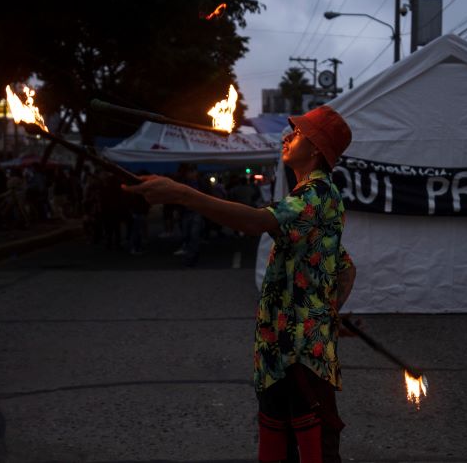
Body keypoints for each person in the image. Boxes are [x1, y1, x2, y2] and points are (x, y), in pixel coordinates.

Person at [125, 105, 357, 462]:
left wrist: (184, 194)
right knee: (279, 447)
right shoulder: (309, 198)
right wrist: (331, 309)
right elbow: (344, 266)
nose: (286, 136)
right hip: (277, 352)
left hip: (300, 357)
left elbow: (253, 222)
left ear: (315, 148)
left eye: (296, 134)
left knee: (313, 451)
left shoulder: (317, 195)